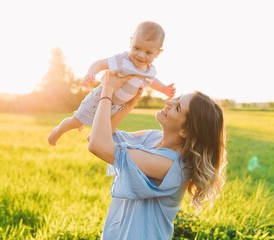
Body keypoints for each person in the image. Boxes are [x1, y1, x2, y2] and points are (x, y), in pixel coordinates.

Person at [88, 71, 227, 239]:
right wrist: (128, 105)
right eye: (177, 99)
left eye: (177, 107)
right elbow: (99, 135)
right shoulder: (152, 138)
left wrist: (107, 91)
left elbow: (98, 144)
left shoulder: (171, 166)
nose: (169, 102)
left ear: (185, 131)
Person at [48, 21, 175, 146]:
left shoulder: (150, 71)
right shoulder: (123, 60)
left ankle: (87, 128)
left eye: (148, 52)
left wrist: (164, 89)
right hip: (99, 99)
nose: (141, 55)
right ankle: (57, 131)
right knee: (75, 122)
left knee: (104, 132)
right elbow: (100, 63)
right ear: (131, 42)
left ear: (158, 53)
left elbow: (152, 81)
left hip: (116, 108)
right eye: (136, 48)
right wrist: (91, 73)